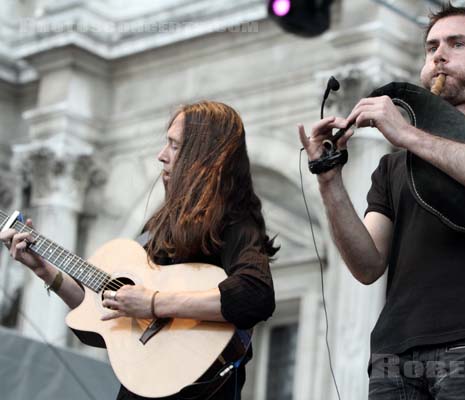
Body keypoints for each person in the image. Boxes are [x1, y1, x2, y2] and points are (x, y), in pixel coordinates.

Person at [299, 3, 465, 399]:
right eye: (431, 46)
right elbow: (368, 264)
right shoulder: (393, 166)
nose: (439, 54)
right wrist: (329, 180)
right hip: (393, 356)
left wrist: (407, 134)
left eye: (456, 44)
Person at [1, 101, 278, 399]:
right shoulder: (159, 226)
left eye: (174, 146)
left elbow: (255, 295)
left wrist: (155, 303)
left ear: (202, 155)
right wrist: (44, 269)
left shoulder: (236, 219)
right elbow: (102, 310)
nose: (162, 156)